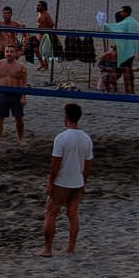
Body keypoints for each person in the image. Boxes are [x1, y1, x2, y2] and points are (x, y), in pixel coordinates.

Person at [42, 103, 93, 255]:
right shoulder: (86, 139)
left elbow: (55, 165)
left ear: (66, 117)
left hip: (63, 181)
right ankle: (71, 248)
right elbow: (88, 164)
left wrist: (50, 183)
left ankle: (47, 249)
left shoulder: (61, 138)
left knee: (51, 212)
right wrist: (84, 182)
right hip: (77, 180)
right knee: (73, 214)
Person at [0, 49, 30, 148]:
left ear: (16, 54)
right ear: (4, 53)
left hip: (16, 94)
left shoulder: (21, 66)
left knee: (18, 118)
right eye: (7, 51)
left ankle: (21, 139)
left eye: (11, 52)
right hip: (3, 94)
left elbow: (24, 83)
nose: (9, 54)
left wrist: (24, 97)